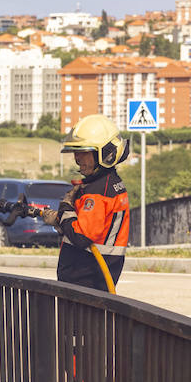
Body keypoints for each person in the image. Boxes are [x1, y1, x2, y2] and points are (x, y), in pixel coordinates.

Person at [41, 114, 131, 291]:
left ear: (105, 153)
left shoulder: (98, 193)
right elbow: (90, 227)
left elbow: (81, 237)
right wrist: (63, 220)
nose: (77, 158)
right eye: (76, 152)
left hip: (86, 280)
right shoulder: (109, 184)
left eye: (83, 152)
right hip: (95, 278)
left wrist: (66, 207)